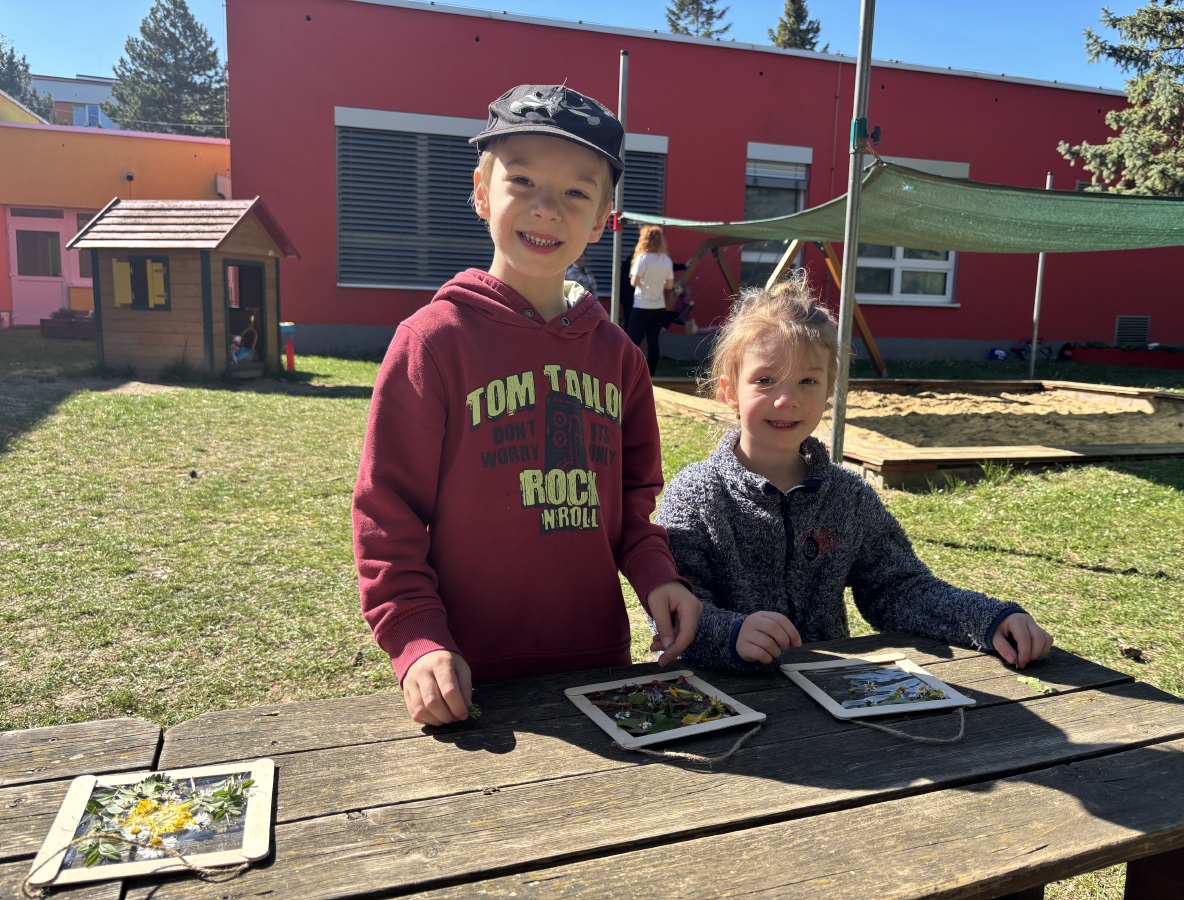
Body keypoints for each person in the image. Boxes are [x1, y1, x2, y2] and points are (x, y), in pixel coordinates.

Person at [353, 83, 701, 726]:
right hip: (467, 677)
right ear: (482, 192)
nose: (546, 209)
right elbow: (386, 513)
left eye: (576, 193)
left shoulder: (621, 358)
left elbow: (633, 505)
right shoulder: (432, 342)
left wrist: (659, 577)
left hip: (598, 669)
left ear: (602, 219)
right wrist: (416, 636)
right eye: (522, 181)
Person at [656, 273, 1054, 672]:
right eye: (765, 380)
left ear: (829, 389)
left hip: (833, 691)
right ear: (728, 391)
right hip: (722, 694)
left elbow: (897, 588)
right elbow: (673, 607)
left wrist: (987, 619)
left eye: (808, 380)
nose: (786, 399)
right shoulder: (696, 495)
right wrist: (730, 633)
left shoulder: (848, 496)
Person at [627, 226, 674, 376]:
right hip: (659, 306)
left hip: (642, 305)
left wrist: (643, 281)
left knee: (633, 341)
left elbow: (634, 282)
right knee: (653, 341)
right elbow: (669, 285)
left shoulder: (643, 258)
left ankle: (630, 371)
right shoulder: (666, 260)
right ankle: (651, 373)